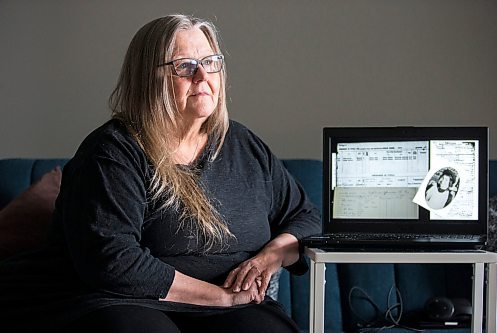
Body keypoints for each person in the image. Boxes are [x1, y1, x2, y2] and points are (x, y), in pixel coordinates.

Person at [0, 14, 320, 333]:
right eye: (184, 66)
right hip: (124, 300)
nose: (202, 75)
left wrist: (271, 256)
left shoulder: (243, 144)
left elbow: (305, 216)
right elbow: (113, 261)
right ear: (148, 77)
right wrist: (220, 298)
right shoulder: (112, 151)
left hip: (232, 307)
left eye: (210, 62)